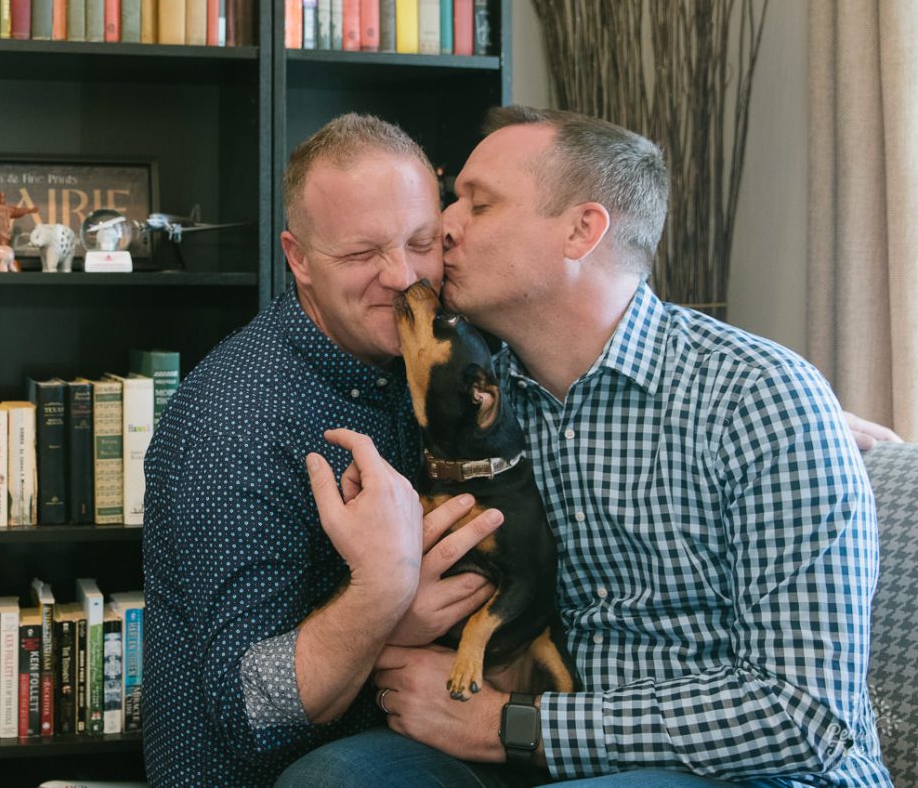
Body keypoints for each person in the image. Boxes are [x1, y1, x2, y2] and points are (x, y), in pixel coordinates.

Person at [277, 106, 891, 786]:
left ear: (581, 230)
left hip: (745, 772)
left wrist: (510, 725)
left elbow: (806, 716)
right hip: (539, 754)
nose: (442, 225)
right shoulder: (477, 393)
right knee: (334, 778)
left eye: (476, 204)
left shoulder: (758, 399)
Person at [141, 114, 504, 787]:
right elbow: (248, 709)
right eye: (364, 254)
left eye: (422, 242)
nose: (403, 276)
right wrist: (386, 598)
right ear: (299, 257)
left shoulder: (436, 351)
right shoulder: (234, 423)